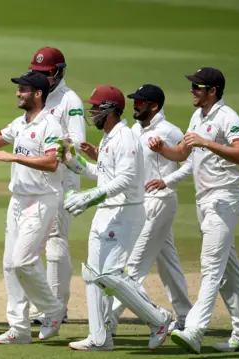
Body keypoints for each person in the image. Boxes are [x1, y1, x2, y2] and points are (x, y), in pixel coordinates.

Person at [149, 67, 239, 353]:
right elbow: (182, 154)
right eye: (192, 86)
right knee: (228, 270)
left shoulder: (227, 117)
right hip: (204, 201)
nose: (192, 91)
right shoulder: (197, 116)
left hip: (225, 199)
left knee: (211, 267)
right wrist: (162, 149)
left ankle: (195, 330)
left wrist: (207, 142)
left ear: (213, 91)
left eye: (197, 87)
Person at [58, 85, 172, 351]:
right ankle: (100, 337)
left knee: (109, 276)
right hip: (107, 210)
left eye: (97, 108)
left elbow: (127, 179)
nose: (93, 112)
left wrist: (89, 196)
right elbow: (103, 173)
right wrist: (72, 162)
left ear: (110, 110)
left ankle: (158, 320)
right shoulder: (109, 138)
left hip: (126, 212)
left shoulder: (126, 138)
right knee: (92, 275)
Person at [0, 71, 66, 344]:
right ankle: (18, 329)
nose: (18, 93)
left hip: (41, 200)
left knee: (23, 261)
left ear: (38, 94)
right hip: (18, 200)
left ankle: (53, 310)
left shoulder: (50, 125)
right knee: (10, 265)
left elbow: (53, 162)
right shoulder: (20, 123)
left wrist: (15, 157)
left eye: (23, 89)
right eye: (18, 89)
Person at [80, 84, 193, 335]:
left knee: (132, 268)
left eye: (140, 102)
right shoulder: (131, 131)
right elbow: (127, 165)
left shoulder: (169, 131)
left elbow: (191, 163)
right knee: (167, 262)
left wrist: (167, 180)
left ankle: (108, 323)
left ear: (153, 106)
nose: (134, 106)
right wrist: (98, 154)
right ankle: (186, 316)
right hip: (141, 201)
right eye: (133, 101)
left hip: (160, 200)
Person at [27, 47, 85, 324]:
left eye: (46, 74)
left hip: (63, 178)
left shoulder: (69, 100)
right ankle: (55, 305)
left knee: (54, 240)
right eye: (36, 73)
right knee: (40, 242)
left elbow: (75, 140)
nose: (41, 78)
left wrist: (51, 150)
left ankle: (53, 309)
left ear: (59, 72)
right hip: (40, 179)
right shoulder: (39, 95)